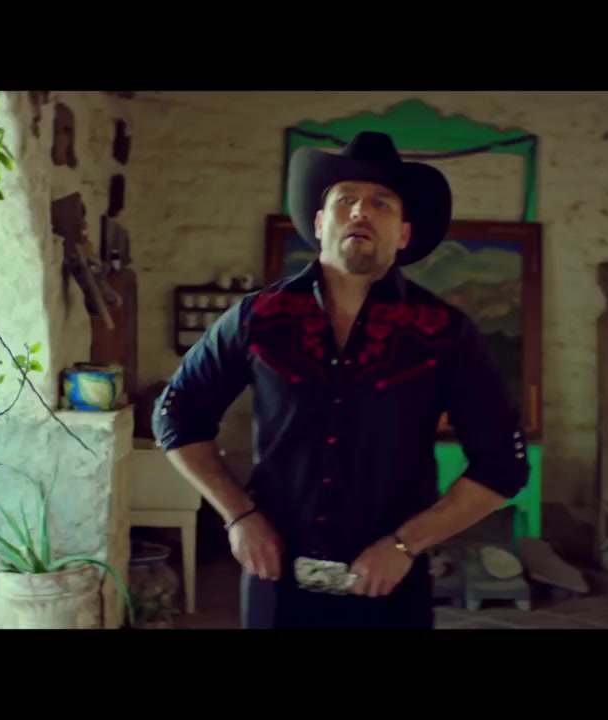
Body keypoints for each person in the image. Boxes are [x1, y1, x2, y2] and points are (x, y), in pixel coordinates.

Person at [152, 131, 530, 629]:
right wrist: (239, 516)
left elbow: (503, 465)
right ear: (318, 223)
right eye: (345, 199)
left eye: (380, 203)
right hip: (276, 580)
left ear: (404, 234)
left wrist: (405, 544)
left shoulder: (444, 333)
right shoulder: (259, 318)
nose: (360, 211)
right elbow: (176, 415)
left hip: (389, 584)